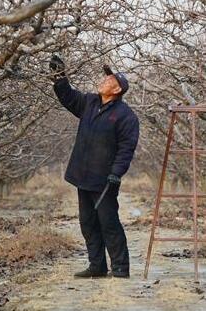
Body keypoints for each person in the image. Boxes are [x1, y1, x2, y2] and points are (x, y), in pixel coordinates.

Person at [49, 55, 139, 278]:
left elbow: (126, 149)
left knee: (109, 223)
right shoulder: (90, 103)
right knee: (88, 223)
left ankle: (120, 268)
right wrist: (60, 76)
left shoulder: (126, 116)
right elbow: (68, 97)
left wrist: (116, 173)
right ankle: (97, 266)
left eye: (109, 80)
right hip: (83, 175)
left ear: (117, 89)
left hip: (105, 180)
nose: (104, 80)